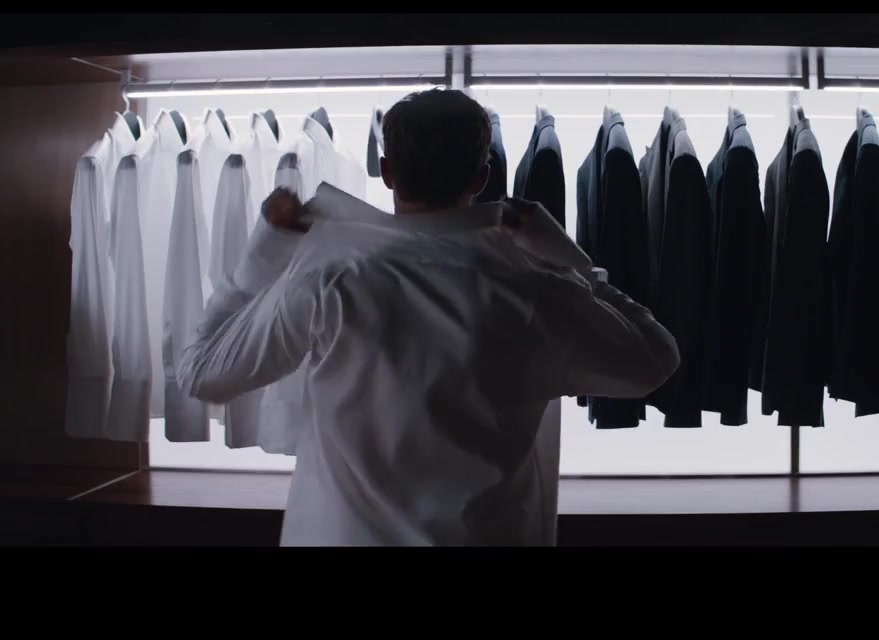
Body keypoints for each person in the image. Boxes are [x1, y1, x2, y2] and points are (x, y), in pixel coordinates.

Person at [176, 89, 680, 546]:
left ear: (386, 171)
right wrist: (570, 262)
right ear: (482, 177)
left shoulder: (329, 280)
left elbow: (201, 374)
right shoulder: (537, 290)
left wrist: (265, 253)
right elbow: (655, 360)